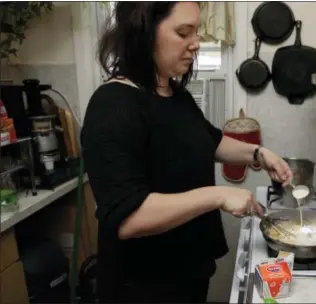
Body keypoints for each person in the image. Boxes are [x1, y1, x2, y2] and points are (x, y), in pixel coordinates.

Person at [81, 2, 293, 303]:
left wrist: (259, 153)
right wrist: (217, 196)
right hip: (143, 287)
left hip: (189, 271)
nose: (195, 44)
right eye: (183, 32)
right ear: (143, 32)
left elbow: (211, 141)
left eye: (196, 31)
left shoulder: (173, 93)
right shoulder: (112, 106)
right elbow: (128, 219)